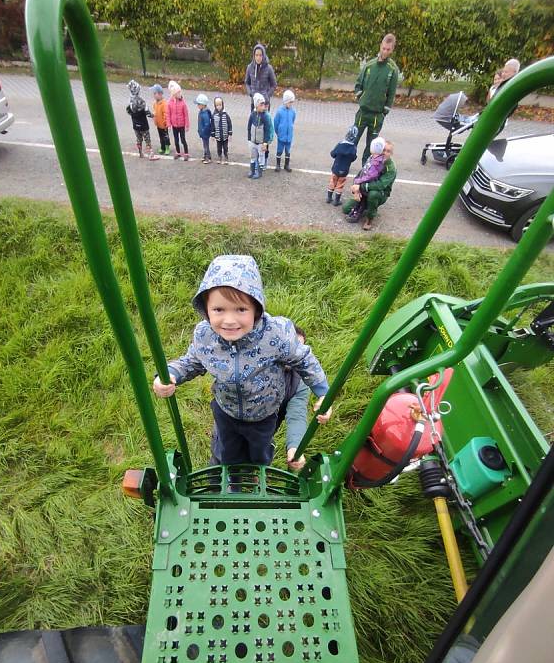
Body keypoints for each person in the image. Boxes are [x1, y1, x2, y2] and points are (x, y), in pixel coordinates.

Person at [152, 255, 332, 466]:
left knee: (259, 452)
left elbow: (304, 360)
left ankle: (255, 472)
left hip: (263, 415)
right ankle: (226, 472)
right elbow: (193, 361)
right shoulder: (206, 335)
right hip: (226, 409)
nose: (229, 320)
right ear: (206, 309)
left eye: (241, 309)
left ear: (256, 308)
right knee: (226, 451)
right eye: (219, 310)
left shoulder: (274, 335)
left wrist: (323, 392)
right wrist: (169, 373)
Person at [209, 325, 329, 470]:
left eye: (297, 351)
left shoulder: (298, 381)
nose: (291, 356)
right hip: (230, 420)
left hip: (263, 428)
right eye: (288, 349)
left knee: (259, 456)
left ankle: (251, 473)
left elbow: (297, 414)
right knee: (222, 451)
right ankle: (217, 480)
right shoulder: (251, 361)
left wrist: (294, 446)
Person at [353, 34, 399, 165]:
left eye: (388, 49)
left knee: (371, 145)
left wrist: (385, 110)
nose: (385, 51)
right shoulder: (369, 65)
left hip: (377, 115)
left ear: (392, 50)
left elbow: (391, 93)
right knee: (352, 140)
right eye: (383, 48)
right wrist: (360, 97)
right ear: (380, 46)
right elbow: (358, 84)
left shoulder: (392, 70)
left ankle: (365, 168)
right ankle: (343, 165)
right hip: (363, 112)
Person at [343, 140, 396, 231]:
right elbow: (362, 173)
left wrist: (361, 187)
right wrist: (356, 186)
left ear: (391, 153)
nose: (385, 153)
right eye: (383, 150)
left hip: (380, 193)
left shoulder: (391, 168)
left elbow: (380, 185)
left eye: (388, 151)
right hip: (365, 190)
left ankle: (370, 218)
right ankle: (366, 206)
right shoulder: (373, 158)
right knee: (346, 209)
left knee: (373, 194)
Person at [326, 124, 359, 207]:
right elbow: (354, 158)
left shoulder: (340, 145)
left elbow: (332, 154)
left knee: (332, 181)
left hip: (336, 168)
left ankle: (329, 198)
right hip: (344, 170)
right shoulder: (353, 148)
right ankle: (336, 201)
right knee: (340, 184)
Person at [126, 80, 156, 160]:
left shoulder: (130, 101)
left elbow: (128, 111)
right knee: (147, 139)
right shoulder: (141, 101)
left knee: (138, 139)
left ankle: (140, 152)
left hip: (135, 124)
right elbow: (147, 112)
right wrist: (153, 115)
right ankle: (151, 154)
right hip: (143, 125)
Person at [247, 93, 272, 180]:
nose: (263, 107)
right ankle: (252, 170)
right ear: (256, 105)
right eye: (261, 105)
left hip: (261, 142)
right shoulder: (252, 115)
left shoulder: (265, 117)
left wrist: (265, 143)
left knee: (261, 157)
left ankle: (259, 171)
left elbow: (268, 131)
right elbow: (249, 127)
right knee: (253, 156)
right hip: (253, 141)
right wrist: (249, 139)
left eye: (264, 104)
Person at [245, 43, 277, 111]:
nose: (258, 57)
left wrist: (267, 95)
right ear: (254, 56)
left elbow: (274, 84)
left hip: (265, 103)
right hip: (254, 102)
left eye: (260, 55)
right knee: (254, 121)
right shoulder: (250, 67)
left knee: (265, 121)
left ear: (263, 55)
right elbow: (247, 82)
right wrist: (251, 93)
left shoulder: (269, 68)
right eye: (256, 55)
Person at [273, 89, 296, 173]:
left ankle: (286, 165)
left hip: (289, 136)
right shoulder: (279, 111)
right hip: (281, 135)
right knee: (279, 150)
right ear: (285, 101)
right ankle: (278, 164)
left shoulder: (293, 111)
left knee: (288, 151)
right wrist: (278, 132)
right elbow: (275, 123)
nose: (291, 104)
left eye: (292, 102)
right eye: (290, 102)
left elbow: (292, 121)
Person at [167, 80, 190, 160]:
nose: (180, 94)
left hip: (181, 125)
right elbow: (168, 115)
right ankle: (178, 152)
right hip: (174, 125)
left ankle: (186, 153)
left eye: (180, 92)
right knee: (176, 140)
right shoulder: (169, 103)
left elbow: (186, 115)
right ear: (174, 94)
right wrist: (169, 125)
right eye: (178, 93)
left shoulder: (183, 103)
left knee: (183, 139)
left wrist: (187, 125)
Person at [149, 83, 170, 156]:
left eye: (155, 93)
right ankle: (163, 147)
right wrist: (153, 117)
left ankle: (167, 147)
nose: (154, 95)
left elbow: (166, 113)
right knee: (161, 136)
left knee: (165, 136)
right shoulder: (155, 103)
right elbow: (155, 112)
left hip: (164, 124)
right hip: (158, 124)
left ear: (160, 94)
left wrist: (166, 121)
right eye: (153, 93)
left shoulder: (164, 103)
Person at [212, 96, 232, 164]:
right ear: (215, 106)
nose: (219, 107)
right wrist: (212, 135)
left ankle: (226, 157)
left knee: (225, 148)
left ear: (222, 105)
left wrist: (230, 134)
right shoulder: (214, 115)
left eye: (220, 105)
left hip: (225, 136)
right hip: (218, 136)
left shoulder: (225, 114)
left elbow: (229, 124)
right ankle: (219, 157)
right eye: (217, 105)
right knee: (219, 148)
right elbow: (212, 125)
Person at [195, 93, 212, 164]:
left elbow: (207, 124)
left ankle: (208, 157)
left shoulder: (204, 113)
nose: (197, 105)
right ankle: (206, 156)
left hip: (205, 133)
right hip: (203, 132)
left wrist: (203, 130)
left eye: (198, 104)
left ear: (202, 104)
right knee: (205, 145)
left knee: (206, 145)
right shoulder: (202, 112)